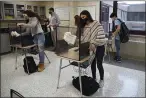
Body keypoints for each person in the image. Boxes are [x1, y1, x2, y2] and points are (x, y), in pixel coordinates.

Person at [78, 10, 106, 88]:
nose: (83, 19)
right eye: (81, 18)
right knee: (93, 64)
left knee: (99, 64)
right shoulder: (84, 27)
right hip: (91, 48)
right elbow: (84, 38)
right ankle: (94, 78)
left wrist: (93, 42)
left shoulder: (96, 24)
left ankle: (102, 79)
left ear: (88, 15)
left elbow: (101, 37)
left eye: (84, 17)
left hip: (100, 47)